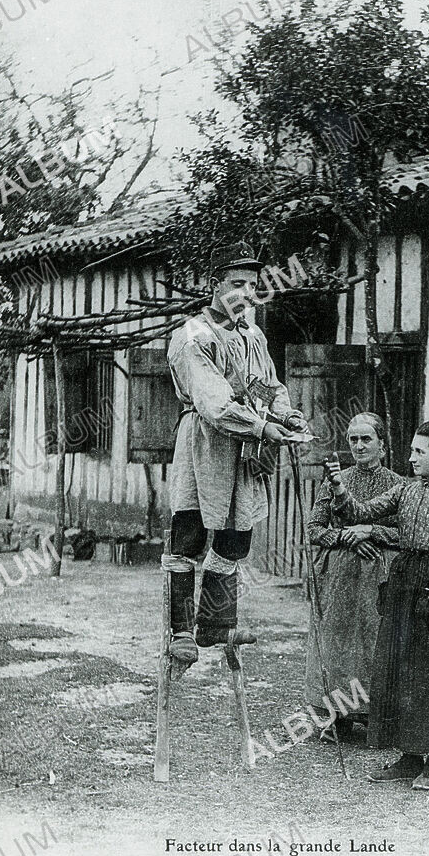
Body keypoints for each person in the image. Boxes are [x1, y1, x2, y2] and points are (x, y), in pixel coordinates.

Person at [166, 242, 307, 666]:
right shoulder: (193, 335)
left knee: (236, 535)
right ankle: (181, 630)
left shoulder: (252, 335)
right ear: (215, 285)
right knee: (190, 533)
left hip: (245, 446)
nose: (246, 292)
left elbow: (270, 386)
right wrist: (262, 427)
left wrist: (287, 415)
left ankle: (214, 623)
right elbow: (214, 402)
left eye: (252, 285)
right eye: (237, 283)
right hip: (206, 441)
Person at [323, 419, 429, 789]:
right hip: (403, 583)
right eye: (411, 450)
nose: (411, 458)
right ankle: (409, 758)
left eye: (419, 452)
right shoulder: (405, 491)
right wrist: (339, 486)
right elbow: (360, 513)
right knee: (399, 670)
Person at [305, 414, 403, 742]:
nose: (359, 446)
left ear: (382, 445)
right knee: (337, 643)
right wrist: (346, 537)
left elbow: (408, 533)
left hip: (379, 575)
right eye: (353, 439)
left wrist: (372, 533)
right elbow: (314, 528)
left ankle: (377, 716)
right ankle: (338, 718)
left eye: (366, 439)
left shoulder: (398, 485)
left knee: (375, 642)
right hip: (339, 576)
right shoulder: (336, 481)